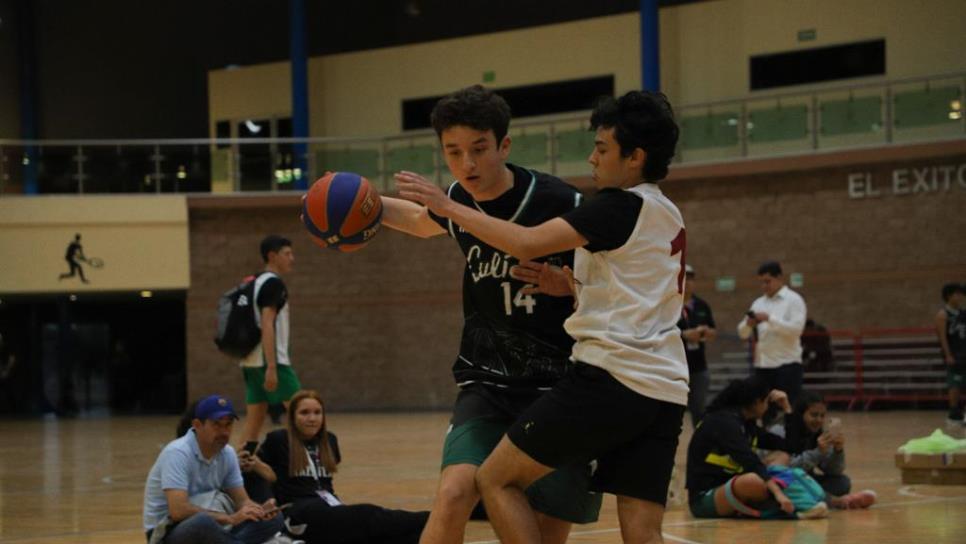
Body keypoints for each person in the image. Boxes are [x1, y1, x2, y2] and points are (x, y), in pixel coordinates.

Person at [399, 90, 688, 544]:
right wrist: (568, 284)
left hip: (609, 378)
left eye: (602, 148)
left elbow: (527, 243)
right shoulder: (666, 213)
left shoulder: (615, 206)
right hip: (665, 388)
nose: (591, 158)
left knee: (495, 479)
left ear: (634, 157)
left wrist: (448, 206)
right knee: (644, 535)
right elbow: (636, 292)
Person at [380, 85, 601, 543]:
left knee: (545, 527)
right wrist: (365, 205)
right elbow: (424, 223)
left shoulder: (561, 201)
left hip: (556, 385)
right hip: (487, 380)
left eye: (479, 149)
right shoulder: (458, 196)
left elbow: (610, 289)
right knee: (455, 491)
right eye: (453, 152)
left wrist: (568, 285)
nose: (467, 164)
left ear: (504, 145)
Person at [246, 389, 430, 544]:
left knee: (399, 536)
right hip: (299, 514)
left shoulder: (330, 441)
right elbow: (255, 473)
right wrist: (267, 499)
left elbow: (326, 484)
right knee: (366, 514)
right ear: (292, 416)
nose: (312, 418)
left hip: (330, 508)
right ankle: (430, 517)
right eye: (304, 413)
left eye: (317, 413)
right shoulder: (278, 440)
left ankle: (431, 524)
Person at [143, 394, 293, 544]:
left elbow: (242, 501)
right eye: (216, 424)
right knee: (202, 522)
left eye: (228, 425)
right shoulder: (178, 453)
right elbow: (178, 511)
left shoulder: (227, 453)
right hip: (167, 532)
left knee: (274, 519)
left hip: (214, 526)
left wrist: (258, 510)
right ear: (197, 425)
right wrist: (230, 518)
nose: (224, 432)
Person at [684, 376, 820, 519]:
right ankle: (792, 510)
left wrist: (787, 409)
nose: (768, 406)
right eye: (767, 401)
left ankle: (791, 502)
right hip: (705, 498)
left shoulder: (748, 425)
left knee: (782, 458)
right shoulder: (723, 422)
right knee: (752, 481)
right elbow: (749, 461)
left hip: (734, 488)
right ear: (757, 402)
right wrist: (777, 492)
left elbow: (791, 447)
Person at [239, 235, 302, 450]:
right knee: (305, 413)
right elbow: (267, 324)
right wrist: (273, 366)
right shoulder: (274, 284)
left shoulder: (253, 281)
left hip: (250, 360)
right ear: (272, 256)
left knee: (252, 427)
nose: (292, 259)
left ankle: (233, 474)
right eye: (287, 254)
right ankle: (313, 470)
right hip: (271, 360)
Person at [770, 391, 876, 509]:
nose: (819, 420)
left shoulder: (817, 435)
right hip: (779, 481)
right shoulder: (781, 431)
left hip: (806, 480)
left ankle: (818, 500)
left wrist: (838, 451)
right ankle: (836, 502)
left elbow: (834, 471)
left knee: (842, 482)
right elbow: (786, 469)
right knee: (797, 482)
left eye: (822, 416)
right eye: (814, 415)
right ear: (800, 415)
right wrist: (818, 453)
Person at [737, 260, 807, 420]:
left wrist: (769, 319)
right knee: (765, 413)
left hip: (787, 365)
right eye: (761, 282)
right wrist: (748, 324)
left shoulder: (794, 300)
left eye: (767, 281)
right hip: (763, 367)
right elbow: (742, 333)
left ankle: (791, 443)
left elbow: (796, 330)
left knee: (789, 410)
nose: (764, 286)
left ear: (779, 278)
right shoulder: (758, 303)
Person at [678, 264, 717, 426]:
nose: (688, 282)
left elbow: (713, 333)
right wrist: (683, 335)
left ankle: (699, 444)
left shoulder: (702, 305)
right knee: (674, 410)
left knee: (699, 410)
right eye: (685, 278)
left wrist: (706, 333)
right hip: (676, 367)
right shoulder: (670, 305)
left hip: (699, 367)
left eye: (691, 279)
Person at [936, 283, 966, 424]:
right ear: (949, 296)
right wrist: (948, 354)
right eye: (956, 294)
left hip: (964, 351)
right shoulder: (943, 315)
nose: (960, 297)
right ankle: (954, 412)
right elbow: (942, 337)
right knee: (955, 383)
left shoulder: (962, 313)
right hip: (954, 354)